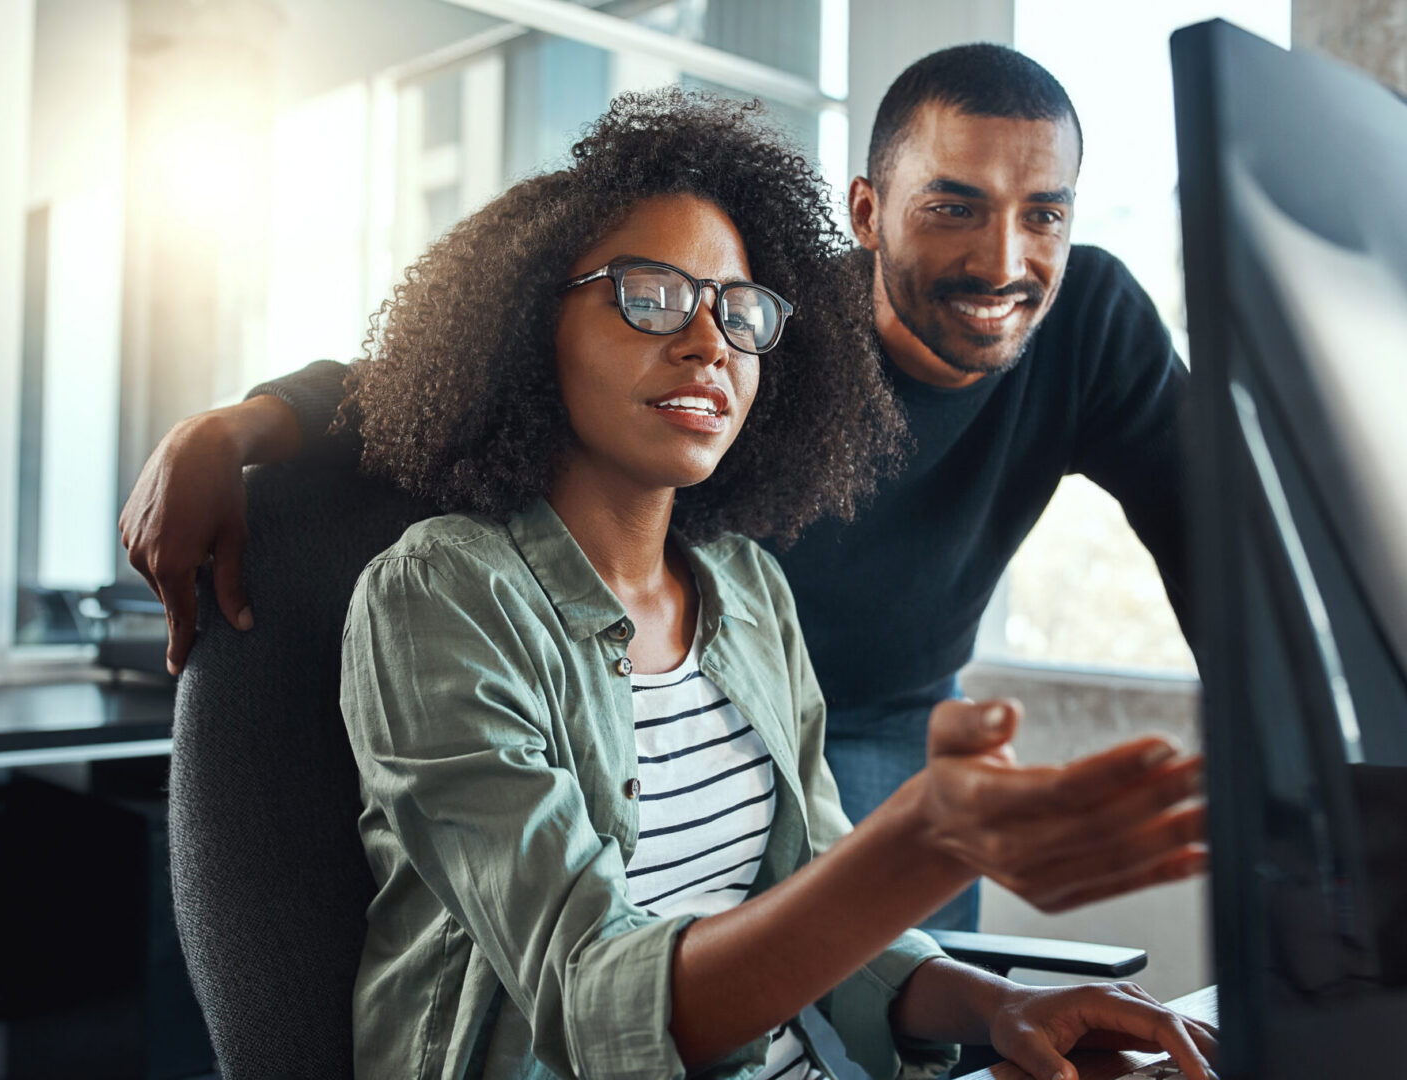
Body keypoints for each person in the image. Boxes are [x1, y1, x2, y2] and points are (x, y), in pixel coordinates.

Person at [121, 45, 1203, 928]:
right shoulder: (762, 318)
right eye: (954, 208)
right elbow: (460, 369)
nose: (1002, 260)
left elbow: (1219, 542)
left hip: (888, 716)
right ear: (869, 211)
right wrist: (240, 423)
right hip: (703, 690)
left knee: (903, 1017)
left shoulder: (1087, 325)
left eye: (1042, 214)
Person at [321, 88, 1214, 1080]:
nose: (709, 343)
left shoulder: (745, 587)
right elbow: (587, 1002)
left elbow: (820, 899)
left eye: (737, 312)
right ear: (532, 320)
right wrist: (925, 842)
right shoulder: (443, 596)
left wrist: (1002, 1007)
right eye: (651, 294)